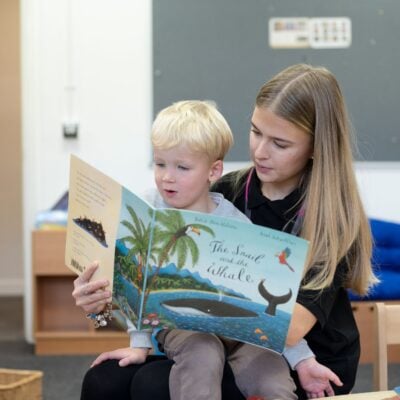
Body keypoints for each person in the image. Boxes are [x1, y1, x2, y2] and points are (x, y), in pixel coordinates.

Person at [74, 64, 377, 399]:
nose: (260, 151)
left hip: (302, 357)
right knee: (104, 380)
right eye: (256, 131)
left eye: (279, 143)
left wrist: (187, 295)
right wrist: (100, 306)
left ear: (315, 147)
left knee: (153, 386)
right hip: (211, 337)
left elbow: (285, 328)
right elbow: (150, 301)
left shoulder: (332, 218)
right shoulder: (224, 191)